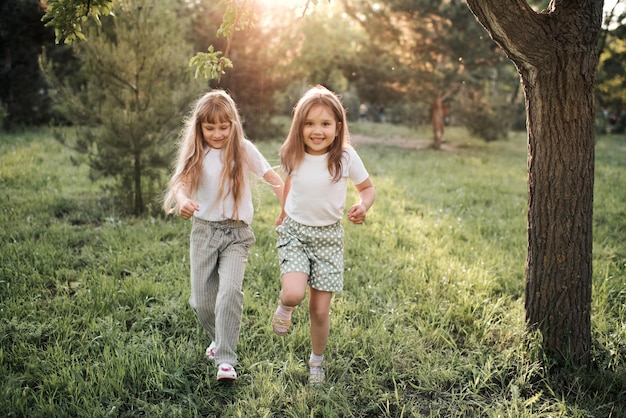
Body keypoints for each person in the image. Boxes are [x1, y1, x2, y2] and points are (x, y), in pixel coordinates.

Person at [163, 90, 284, 382]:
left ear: (233, 124)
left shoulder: (243, 149)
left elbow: (274, 179)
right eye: (210, 127)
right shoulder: (198, 153)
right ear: (199, 128)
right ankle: (219, 339)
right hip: (204, 232)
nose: (217, 133)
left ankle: (226, 360)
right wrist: (182, 201)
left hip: (237, 234)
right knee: (202, 301)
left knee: (229, 293)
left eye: (223, 126)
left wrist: (287, 209)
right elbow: (181, 183)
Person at [271, 85, 375, 384]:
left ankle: (316, 361)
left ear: (338, 127)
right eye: (310, 123)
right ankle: (285, 306)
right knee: (294, 292)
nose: (317, 131)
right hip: (296, 233)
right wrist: (283, 212)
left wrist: (362, 205)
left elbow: (367, 188)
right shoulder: (293, 153)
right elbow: (290, 183)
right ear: (299, 126)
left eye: (325, 124)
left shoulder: (345, 157)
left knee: (319, 309)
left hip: (329, 238)